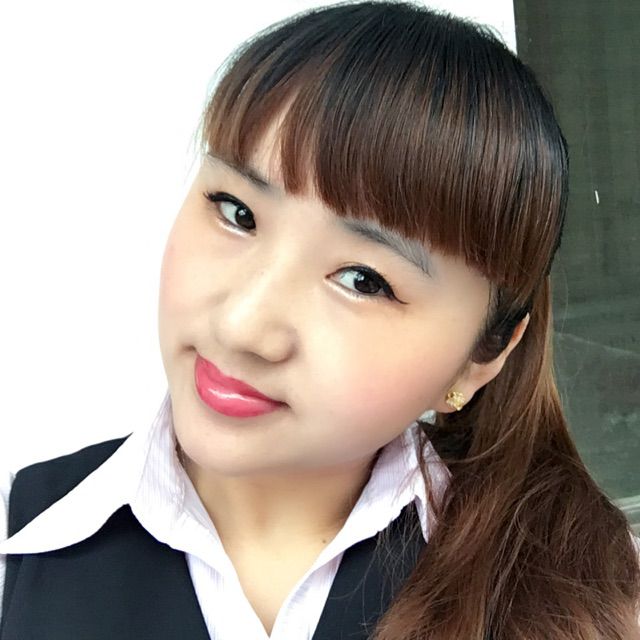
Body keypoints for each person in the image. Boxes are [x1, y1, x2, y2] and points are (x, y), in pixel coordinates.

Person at [1, 1, 639, 638]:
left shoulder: (590, 602)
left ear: (481, 357)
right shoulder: (21, 541)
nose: (243, 327)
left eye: (363, 280)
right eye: (237, 213)